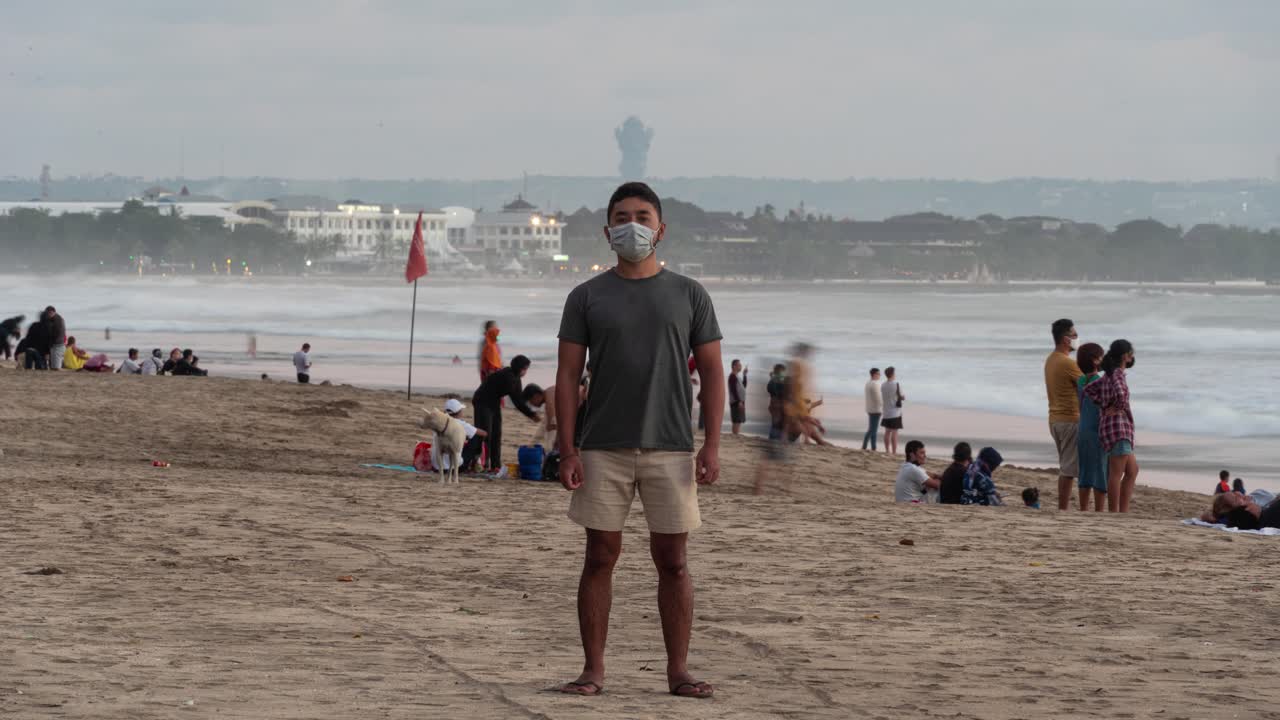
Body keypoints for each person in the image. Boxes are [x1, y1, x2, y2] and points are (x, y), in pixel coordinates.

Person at [554, 181, 722, 699]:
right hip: (602, 443)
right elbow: (566, 378)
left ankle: (678, 671)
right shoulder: (586, 296)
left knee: (672, 560)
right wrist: (568, 448)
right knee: (600, 556)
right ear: (608, 233)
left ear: (661, 229)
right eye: (623, 217)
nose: (634, 225)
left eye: (643, 216)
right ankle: (593, 670)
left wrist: (711, 444)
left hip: (671, 445)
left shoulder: (690, 294)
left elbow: (713, 373)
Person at [1083, 339, 1138, 513]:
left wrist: (1104, 405)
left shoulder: (1108, 374)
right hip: (1118, 427)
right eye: (1131, 354)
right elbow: (1121, 395)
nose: (1133, 356)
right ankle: (1115, 513)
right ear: (1125, 357)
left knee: (1132, 470)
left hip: (1112, 427)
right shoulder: (1117, 374)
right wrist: (1114, 407)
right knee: (1116, 473)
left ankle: (1123, 511)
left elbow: (1088, 389)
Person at [471, 354, 543, 475]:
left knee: (496, 434)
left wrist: (532, 411)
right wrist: (531, 415)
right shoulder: (507, 376)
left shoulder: (516, 378)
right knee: (485, 433)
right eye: (525, 368)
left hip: (494, 402)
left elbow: (520, 398)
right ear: (520, 368)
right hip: (482, 401)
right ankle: (479, 463)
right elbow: (516, 401)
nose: (526, 371)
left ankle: (495, 465)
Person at [1045, 318, 1083, 511]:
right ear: (1065, 339)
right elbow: (1088, 385)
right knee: (1068, 469)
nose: (1077, 338)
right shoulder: (1067, 363)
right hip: (1069, 420)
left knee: (1066, 466)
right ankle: (1063, 508)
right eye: (1074, 335)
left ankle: (1063, 507)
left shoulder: (1051, 359)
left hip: (1055, 419)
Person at [1075, 342, 1108, 512]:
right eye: (1101, 357)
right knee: (1100, 471)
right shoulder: (1100, 382)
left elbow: (1081, 406)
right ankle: (1099, 511)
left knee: (1085, 470)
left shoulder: (1080, 380)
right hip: (1097, 430)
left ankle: (1083, 508)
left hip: (1082, 429)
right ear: (1095, 361)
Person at [436, 398, 488, 471]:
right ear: (458, 412)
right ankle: (475, 462)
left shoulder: (439, 422)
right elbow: (483, 433)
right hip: (454, 468)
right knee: (476, 437)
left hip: (437, 466)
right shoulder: (460, 424)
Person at [879, 366, 904, 455]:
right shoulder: (896, 384)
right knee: (894, 432)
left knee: (887, 432)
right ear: (892, 374)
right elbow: (902, 396)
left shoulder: (883, 385)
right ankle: (894, 452)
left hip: (886, 411)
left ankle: (887, 450)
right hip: (895, 412)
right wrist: (902, 397)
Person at [765, 364, 787, 441]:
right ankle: (773, 439)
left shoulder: (775, 380)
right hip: (776, 405)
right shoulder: (776, 381)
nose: (783, 373)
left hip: (775, 405)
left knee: (776, 423)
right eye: (782, 371)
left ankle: (774, 439)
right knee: (776, 423)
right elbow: (776, 391)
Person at [862, 367, 882, 450]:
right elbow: (878, 398)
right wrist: (883, 405)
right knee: (872, 430)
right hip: (875, 409)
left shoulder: (868, 383)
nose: (879, 375)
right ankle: (865, 445)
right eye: (878, 374)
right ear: (874, 374)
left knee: (873, 429)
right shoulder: (874, 384)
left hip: (870, 408)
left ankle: (873, 447)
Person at [727, 359, 747, 435]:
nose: (741, 366)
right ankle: (735, 435)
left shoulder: (737, 376)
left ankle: (736, 434)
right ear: (734, 366)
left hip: (739, 401)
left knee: (739, 420)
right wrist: (739, 401)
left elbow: (743, 386)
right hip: (736, 402)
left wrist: (745, 375)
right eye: (739, 365)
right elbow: (733, 390)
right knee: (736, 420)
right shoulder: (732, 376)